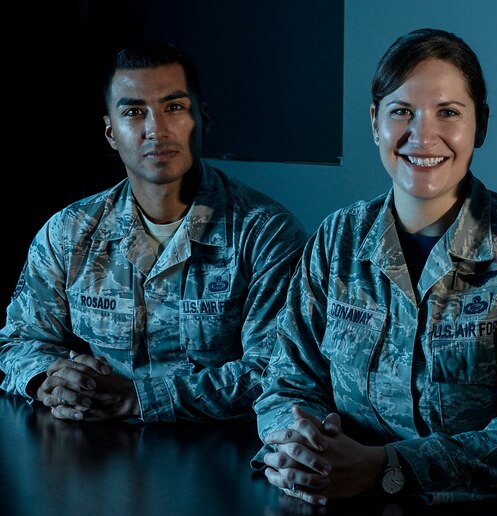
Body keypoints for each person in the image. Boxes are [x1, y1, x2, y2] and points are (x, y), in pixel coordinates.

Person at [254, 28, 497, 506]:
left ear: (480, 126)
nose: (423, 135)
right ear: (375, 123)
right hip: (345, 515)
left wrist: (386, 467)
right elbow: (286, 383)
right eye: (402, 112)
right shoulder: (338, 241)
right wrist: (300, 447)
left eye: (449, 113)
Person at [0, 41, 307, 422]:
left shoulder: (265, 234)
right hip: (93, 455)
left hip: (221, 456)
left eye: (174, 107)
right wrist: (49, 379)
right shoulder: (69, 232)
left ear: (203, 120)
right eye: (133, 112)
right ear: (111, 132)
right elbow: (18, 340)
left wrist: (138, 399)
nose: (155, 130)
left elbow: (276, 372)